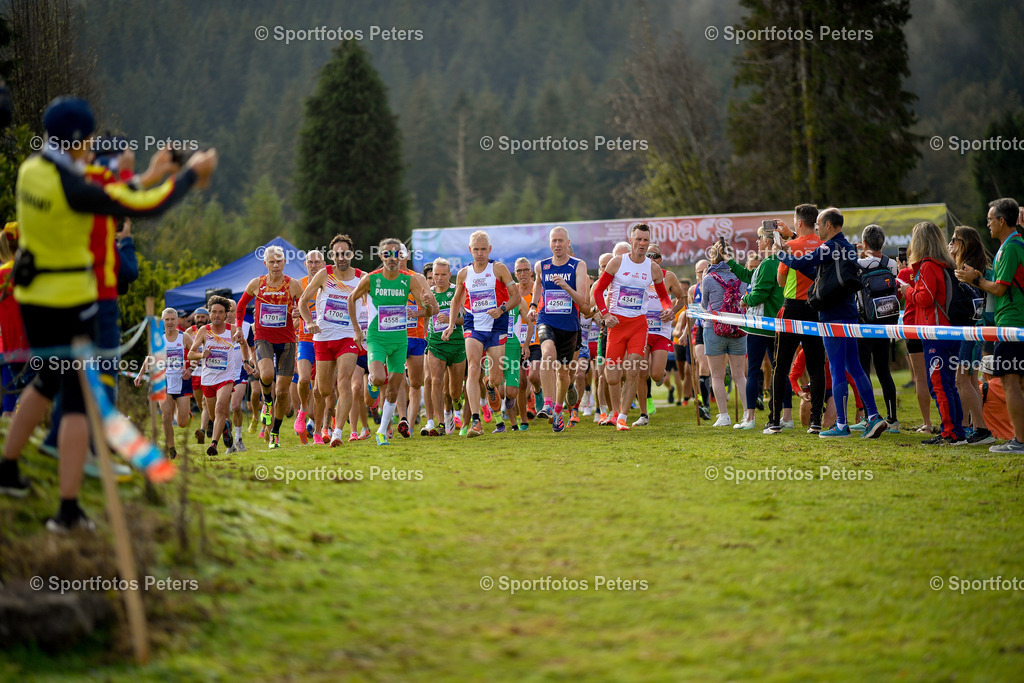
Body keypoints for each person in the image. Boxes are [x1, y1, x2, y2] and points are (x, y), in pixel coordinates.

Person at [0, 96, 216, 531]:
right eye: (89, 138)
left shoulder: (34, 170)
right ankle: (68, 511)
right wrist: (192, 176)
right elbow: (141, 206)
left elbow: (107, 193)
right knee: (78, 402)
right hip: (69, 302)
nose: (92, 145)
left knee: (45, 380)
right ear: (78, 139)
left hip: (33, 296)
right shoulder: (73, 187)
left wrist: (149, 174)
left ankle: (7, 469)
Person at [777, 208, 887, 439]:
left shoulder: (827, 247)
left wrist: (780, 253)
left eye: (818, 224)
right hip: (848, 313)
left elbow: (802, 263)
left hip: (831, 315)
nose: (817, 228)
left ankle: (841, 424)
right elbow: (812, 269)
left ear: (828, 225)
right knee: (854, 368)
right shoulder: (847, 247)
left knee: (837, 371)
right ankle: (874, 416)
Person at [956, 198, 1024, 453]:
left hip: (1012, 323)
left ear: (1002, 221)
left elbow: (998, 288)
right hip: (1014, 321)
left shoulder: (1009, 248)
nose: (988, 225)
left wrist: (976, 279)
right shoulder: (1015, 245)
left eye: (989, 220)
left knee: (1009, 381)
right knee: (1017, 382)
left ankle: (1019, 441)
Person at [351, 237, 434, 445]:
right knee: (379, 378)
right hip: (377, 338)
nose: (391, 258)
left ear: (401, 257)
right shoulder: (372, 279)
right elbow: (351, 299)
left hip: (400, 339)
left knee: (394, 389)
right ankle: (371, 381)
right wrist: (356, 330)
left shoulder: (410, 280)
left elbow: (429, 312)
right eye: (387, 254)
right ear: (381, 256)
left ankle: (381, 431)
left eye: (395, 254)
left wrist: (424, 306)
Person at [592, 223, 674, 431]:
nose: (642, 243)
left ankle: (622, 417)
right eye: (638, 239)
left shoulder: (653, 268)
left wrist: (668, 308)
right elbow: (598, 290)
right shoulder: (617, 263)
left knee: (634, 368)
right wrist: (606, 314)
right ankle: (615, 411)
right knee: (612, 377)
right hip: (617, 325)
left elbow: (664, 296)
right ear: (631, 240)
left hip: (639, 325)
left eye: (645, 240)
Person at [444, 231, 520, 437]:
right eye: (475, 249)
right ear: (470, 250)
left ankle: (489, 385)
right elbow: (456, 301)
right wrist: (451, 325)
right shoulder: (463, 274)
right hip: (473, 325)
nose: (479, 253)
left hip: (497, 326)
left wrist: (502, 308)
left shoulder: (499, 269)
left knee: (495, 380)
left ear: (490, 250)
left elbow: (516, 297)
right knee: (474, 368)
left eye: (483, 249)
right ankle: (476, 422)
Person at [899, 221, 966, 445]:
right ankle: (957, 431)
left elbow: (925, 299)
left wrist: (908, 291)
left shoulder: (928, 266)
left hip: (936, 333)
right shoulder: (945, 264)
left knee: (939, 383)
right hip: (948, 332)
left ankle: (950, 433)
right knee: (948, 384)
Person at [299, 234, 365, 447]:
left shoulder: (361, 278)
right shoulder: (323, 274)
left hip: (348, 337)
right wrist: (308, 321)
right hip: (323, 337)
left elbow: (378, 300)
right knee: (323, 390)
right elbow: (302, 301)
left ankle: (337, 432)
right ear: (332, 255)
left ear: (351, 254)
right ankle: (318, 431)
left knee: (344, 380)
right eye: (337, 254)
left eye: (345, 253)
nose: (341, 257)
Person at [235, 245, 305, 449]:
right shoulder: (256, 283)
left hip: (287, 341)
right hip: (263, 338)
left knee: (283, 392)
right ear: (265, 263)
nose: (275, 265)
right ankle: (267, 401)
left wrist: (298, 316)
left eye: (279, 261)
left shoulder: (293, 284)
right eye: (271, 262)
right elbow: (240, 306)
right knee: (265, 375)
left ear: (285, 262)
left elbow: (303, 308)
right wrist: (239, 328)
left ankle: (274, 432)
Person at [768, 204, 827, 434]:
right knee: (816, 367)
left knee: (780, 366)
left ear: (799, 223)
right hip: (816, 309)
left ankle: (774, 421)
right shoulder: (824, 245)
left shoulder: (790, 247)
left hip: (792, 308)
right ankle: (815, 422)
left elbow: (781, 281)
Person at [726, 224, 789, 430]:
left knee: (753, 371)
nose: (757, 242)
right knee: (780, 371)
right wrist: (729, 261)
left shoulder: (769, 263)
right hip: (775, 324)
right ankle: (787, 417)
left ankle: (750, 418)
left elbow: (759, 293)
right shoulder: (775, 261)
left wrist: (745, 299)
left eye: (760, 238)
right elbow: (749, 277)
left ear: (769, 241)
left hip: (760, 325)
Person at [526, 227, 589, 432]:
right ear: (550, 243)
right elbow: (537, 285)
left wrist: (566, 287)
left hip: (569, 326)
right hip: (546, 320)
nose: (557, 245)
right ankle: (547, 402)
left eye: (561, 241)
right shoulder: (541, 266)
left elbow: (584, 300)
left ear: (567, 242)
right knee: (547, 354)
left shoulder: (578, 266)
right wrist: (534, 306)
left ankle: (559, 411)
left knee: (564, 374)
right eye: (554, 241)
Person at [850, 224, 900, 434]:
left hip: (864, 323)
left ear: (864, 243)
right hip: (885, 322)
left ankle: (870, 416)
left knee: (863, 371)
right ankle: (893, 420)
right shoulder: (892, 264)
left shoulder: (858, 264)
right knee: (883, 370)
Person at [947, 225, 994, 445]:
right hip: (977, 330)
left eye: (954, 240)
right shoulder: (978, 267)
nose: (951, 243)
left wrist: (949, 261)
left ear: (964, 244)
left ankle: (981, 429)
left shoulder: (965, 270)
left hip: (969, 330)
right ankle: (972, 427)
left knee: (961, 380)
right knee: (971, 379)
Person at [633, 243, 685, 426]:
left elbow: (682, 298)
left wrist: (671, 310)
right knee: (641, 373)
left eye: (654, 255)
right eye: (648, 255)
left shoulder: (668, 276)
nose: (651, 258)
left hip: (661, 331)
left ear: (660, 259)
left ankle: (660, 374)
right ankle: (643, 414)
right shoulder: (637, 275)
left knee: (655, 375)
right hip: (642, 331)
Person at [700, 241, 747, 427]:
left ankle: (723, 416)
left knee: (717, 376)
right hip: (738, 328)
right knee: (739, 375)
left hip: (714, 328)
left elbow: (704, 305)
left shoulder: (709, 278)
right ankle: (747, 414)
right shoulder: (741, 275)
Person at [136, 307, 194, 459]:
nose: (170, 322)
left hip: (182, 381)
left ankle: (186, 414)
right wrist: (140, 375)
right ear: (162, 321)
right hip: (164, 381)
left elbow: (196, 354)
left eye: (172, 319)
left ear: (177, 321)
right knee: (166, 416)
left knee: (182, 422)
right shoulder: (158, 340)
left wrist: (190, 370)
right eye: (167, 320)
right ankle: (171, 449)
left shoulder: (184, 337)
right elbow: (149, 358)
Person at [188, 297, 239, 456]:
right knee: (213, 415)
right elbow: (190, 354)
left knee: (220, 408)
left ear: (225, 314)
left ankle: (214, 445)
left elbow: (244, 343)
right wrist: (202, 355)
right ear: (210, 314)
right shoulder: (204, 331)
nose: (217, 315)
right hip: (208, 378)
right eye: (214, 312)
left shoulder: (232, 329)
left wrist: (246, 360)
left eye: (221, 312)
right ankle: (225, 428)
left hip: (226, 377)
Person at [425, 258, 466, 435]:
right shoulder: (428, 293)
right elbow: (424, 316)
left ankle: (454, 408)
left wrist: (451, 320)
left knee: (454, 392)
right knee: (436, 380)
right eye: (436, 274)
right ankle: (441, 422)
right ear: (432, 275)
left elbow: (467, 319)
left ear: (450, 274)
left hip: (457, 344)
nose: (439, 278)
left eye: (443, 274)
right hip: (435, 343)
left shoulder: (457, 292)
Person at [293, 249, 326, 443]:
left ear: (323, 265)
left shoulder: (329, 283)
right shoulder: (298, 285)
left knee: (320, 389)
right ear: (305, 264)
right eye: (310, 262)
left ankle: (318, 432)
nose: (314, 265)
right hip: (305, 339)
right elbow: (289, 312)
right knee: (304, 379)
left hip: (324, 339)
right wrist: (294, 315)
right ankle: (303, 410)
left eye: (317, 262)